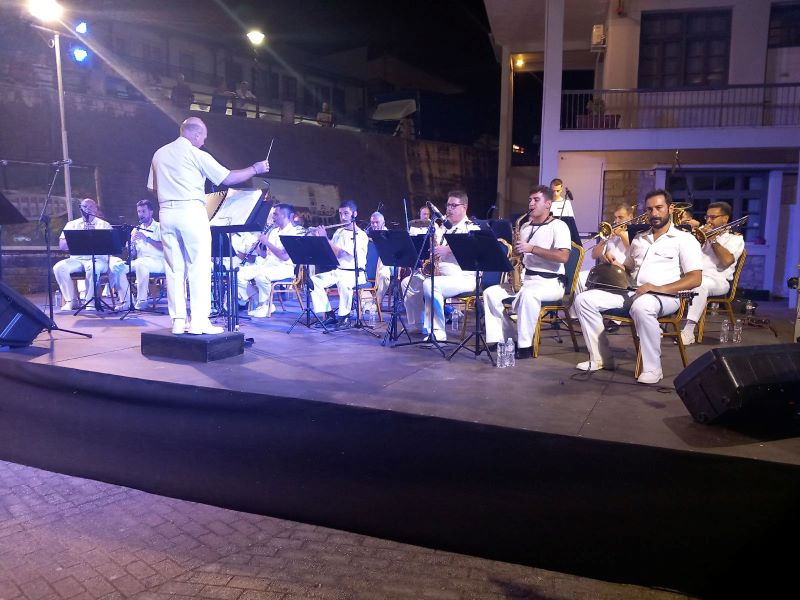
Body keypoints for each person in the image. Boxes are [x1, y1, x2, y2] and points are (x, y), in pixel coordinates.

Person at [147, 116, 270, 335]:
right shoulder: (196, 154)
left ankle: (178, 322)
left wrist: (171, 196)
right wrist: (255, 168)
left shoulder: (159, 153)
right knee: (199, 267)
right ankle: (199, 322)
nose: (204, 141)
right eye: (203, 137)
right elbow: (228, 178)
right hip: (191, 211)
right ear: (195, 134)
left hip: (166, 213)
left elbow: (152, 188)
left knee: (174, 269)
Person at [573, 189, 702, 384]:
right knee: (584, 300)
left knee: (643, 306)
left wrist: (657, 288)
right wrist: (614, 262)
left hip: (666, 296)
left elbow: (695, 279)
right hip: (633, 292)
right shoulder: (640, 238)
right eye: (649, 209)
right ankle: (600, 358)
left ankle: (653, 368)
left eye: (659, 208)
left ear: (670, 208)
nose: (654, 213)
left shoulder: (685, 240)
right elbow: (629, 268)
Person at [483, 185, 571, 359]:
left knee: (528, 295)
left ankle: (525, 346)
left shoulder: (559, 226)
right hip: (527, 279)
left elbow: (563, 256)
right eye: (530, 200)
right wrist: (516, 260)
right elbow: (519, 256)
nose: (531, 203)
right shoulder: (524, 227)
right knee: (490, 293)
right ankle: (505, 338)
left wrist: (532, 248)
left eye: (536, 200)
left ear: (548, 204)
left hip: (550, 282)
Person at [400, 190, 480, 342]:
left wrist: (449, 250)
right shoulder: (442, 228)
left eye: (453, 205)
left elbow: (475, 249)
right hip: (441, 274)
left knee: (431, 285)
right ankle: (418, 324)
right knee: (407, 283)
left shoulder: (471, 228)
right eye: (448, 205)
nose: (449, 209)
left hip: (463, 276)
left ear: (464, 207)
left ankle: (437, 331)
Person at [680, 201, 744, 345]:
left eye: (713, 217)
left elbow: (727, 261)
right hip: (693, 276)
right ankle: (660, 325)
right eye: (707, 217)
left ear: (725, 219)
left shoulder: (735, 238)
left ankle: (688, 331)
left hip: (718, 280)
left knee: (700, 285)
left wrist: (712, 239)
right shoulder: (699, 234)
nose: (709, 221)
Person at [308, 200, 369, 326]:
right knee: (313, 281)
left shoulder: (360, 235)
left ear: (354, 214)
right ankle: (329, 314)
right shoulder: (339, 232)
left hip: (355, 274)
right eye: (340, 214)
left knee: (343, 282)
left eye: (346, 213)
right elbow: (330, 251)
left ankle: (344, 317)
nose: (343, 217)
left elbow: (341, 254)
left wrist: (325, 238)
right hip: (339, 271)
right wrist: (317, 237)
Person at [238, 203, 301, 318]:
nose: (273, 217)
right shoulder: (273, 231)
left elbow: (284, 256)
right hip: (268, 265)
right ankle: (263, 302)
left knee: (261, 276)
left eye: (276, 214)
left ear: (286, 215)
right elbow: (267, 255)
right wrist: (257, 249)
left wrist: (266, 242)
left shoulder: (294, 232)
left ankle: (265, 305)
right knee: (238, 274)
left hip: (285, 267)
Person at [52, 198, 112, 311]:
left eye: (90, 206)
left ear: (95, 209)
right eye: (85, 207)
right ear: (80, 209)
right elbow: (63, 246)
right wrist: (80, 236)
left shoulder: (104, 225)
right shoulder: (72, 224)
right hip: (77, 259)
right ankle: (72, 301)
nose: (87, 209)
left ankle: (90, 302)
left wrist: (94, 235)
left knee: (92, 268)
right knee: (59, 268)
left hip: (98, 260)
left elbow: (109, 246)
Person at [110, 199, 165, 310]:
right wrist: (131, 247)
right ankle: (127, 301)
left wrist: (147, 239)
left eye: (144, 211)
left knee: (141, 264)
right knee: (117, 268)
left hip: (158, 261)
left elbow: (165, 247)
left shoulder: (160, 227)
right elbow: (133, 253)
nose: (141, 214)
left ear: (151, 212)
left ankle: (142, 301)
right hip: (141, 261)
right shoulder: (135, 230)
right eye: (139, 211)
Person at [368, 211, 391, 310]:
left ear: (383, 223)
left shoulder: (389, 235)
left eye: (377, 222)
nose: (374, 225)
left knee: (384, 276)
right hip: (371, 264)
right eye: (372, 223)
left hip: (388, 265)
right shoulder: (367, 235)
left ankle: (377, 302)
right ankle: (365, 303)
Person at [549, 178, 581, 245]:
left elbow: (571, 224)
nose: (555, 193)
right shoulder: (546, 203)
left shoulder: (566, 203)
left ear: (561, 189)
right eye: (553, 191)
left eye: (557, 191)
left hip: (561, 236)